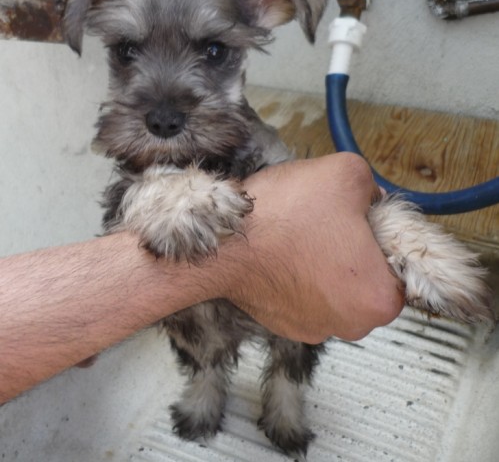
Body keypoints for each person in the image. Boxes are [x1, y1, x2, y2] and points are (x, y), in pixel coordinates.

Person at [0, 153, 404, 404]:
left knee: (293, 352)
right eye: (126, 53)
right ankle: (205, 388)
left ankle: (286, 403)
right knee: (195, 343)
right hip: (192, 314)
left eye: (212, 52)